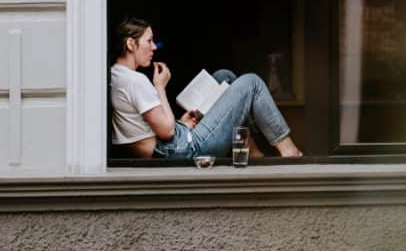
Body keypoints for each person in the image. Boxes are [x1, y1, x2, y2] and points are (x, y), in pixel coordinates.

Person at [110, 16, 303, 159]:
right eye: (149, 41)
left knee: (223, 77)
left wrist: (180, 124)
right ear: (130, 43)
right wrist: (160, 87)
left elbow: (152, 128)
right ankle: (289, 151)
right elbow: (166, 132)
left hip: (173, 144)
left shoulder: (117, 74)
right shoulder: (135, 81)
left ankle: (251, 150)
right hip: (184, 150)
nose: (154, 47)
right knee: (251, 83)